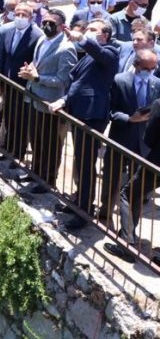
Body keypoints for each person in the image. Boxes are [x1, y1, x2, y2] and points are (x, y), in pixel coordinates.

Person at [48, 19, 119, 231]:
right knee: (80, 160)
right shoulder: (89, 55)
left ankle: (85, 211)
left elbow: (101, 55)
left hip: (92, 116)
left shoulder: (110, 52)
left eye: (93, 30)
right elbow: (77, 82)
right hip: (78, 112)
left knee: (86, 164)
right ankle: (80, 199)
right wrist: (64, 100)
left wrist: (83, 38)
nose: (88, 32)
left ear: (104, 35)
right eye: (87, 29)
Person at [99, 48, 160, 225]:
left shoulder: (157, 84)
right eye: (147, 68)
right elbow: (110, 110)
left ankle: (129, 227)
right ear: (136, 65)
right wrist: (129, 119)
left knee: (137, 190)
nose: (150, 72)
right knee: (111, 179)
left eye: (153, 68)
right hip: (121, 138)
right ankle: (104, 213)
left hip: (145, 145)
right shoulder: (119, 80)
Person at [19, 9, 77, 192]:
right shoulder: (42, 40)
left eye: (51, 23)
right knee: (36, 139)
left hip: (49, 103)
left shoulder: (66, 48)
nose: (46, 26)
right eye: (44, 22)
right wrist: (30, 72)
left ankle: (48, 180)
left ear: (61, 26)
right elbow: (38, 64)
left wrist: (37, 78)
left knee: (50, 144)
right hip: (34, 97)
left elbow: (63, 80)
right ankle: (36, 172)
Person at [0, 3, 42, 163]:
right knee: (10, 117)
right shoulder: (7, 31)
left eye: (24, 14)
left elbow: (36, 61)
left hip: (24, 85)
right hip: (7, 82)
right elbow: (0, 57)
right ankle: (8, 149)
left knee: (21, 121)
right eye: (17, 13)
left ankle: (18, 154)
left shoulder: (37, 35)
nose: (19, 17)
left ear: (31, 17)